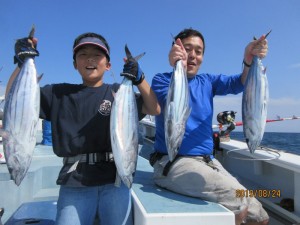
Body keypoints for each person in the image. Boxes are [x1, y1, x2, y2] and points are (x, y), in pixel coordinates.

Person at [6, 32, 161, 225]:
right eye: (83, 54)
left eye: (97, 55)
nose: (90, 59)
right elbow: (15, 101)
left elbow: (154, 109)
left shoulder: (119, 93)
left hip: (114, 180)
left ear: (108, 65)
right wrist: (22, 63)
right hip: (75, 182)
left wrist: (139, 78)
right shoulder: (58, 93)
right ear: (74, 64)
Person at [150, 28, 269, 225]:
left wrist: (249, 59)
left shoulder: (207, 81)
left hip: (208, 161)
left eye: (199, 51)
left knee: (259, 214)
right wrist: (176, 65)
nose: (193, 56)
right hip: (172, 163)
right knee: (243, 207)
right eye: (187, 49)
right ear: (176, 51)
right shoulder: (162, 80)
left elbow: (240, 82)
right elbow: (171, 102)